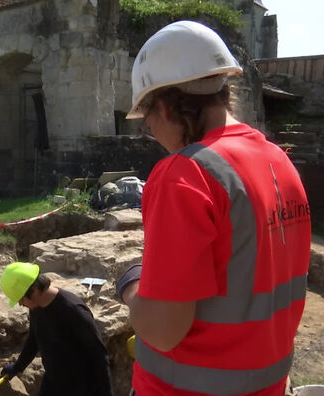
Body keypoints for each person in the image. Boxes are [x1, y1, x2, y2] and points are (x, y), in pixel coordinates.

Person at [115, 20, 311, 395]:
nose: (153, 137)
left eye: (148, 124)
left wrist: (132, 286)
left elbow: (162, 330)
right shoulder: (279, 162)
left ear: (165, 106)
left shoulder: (185, 174)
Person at [0, 261, 113, 396]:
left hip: (82, 387)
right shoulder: (36, 307)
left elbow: (98, 354)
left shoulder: (73, 310)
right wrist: (18, 367)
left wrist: (106, 392)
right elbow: (34, 339)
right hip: (54, 382)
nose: (20, 304)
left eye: (21, 299)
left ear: (34, 290)